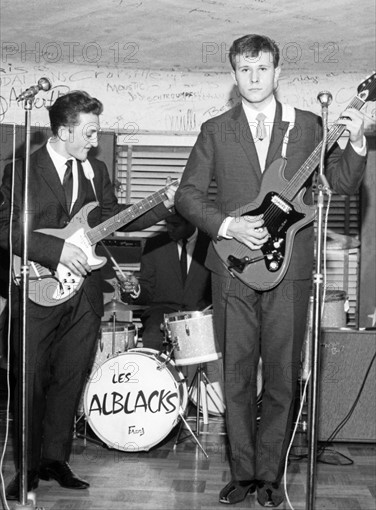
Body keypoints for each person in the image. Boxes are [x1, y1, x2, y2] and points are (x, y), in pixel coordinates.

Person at [175, 34, 367, 507]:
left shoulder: (308, 127)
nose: (254, 78)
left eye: (262, 69)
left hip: (293, 272)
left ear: (278, 73)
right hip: (234, 268)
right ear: (234, 74)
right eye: (244, 69)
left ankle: (271, 477)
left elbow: (340, 181)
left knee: (282, 376)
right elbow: (187, 196)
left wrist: (358, 140)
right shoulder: (215, 129)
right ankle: (242, 474)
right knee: (237, 375)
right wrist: (229, 225)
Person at [0, 90, 177, 500]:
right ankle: (25, 468)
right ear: (64, 131)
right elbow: (4, 228)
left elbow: (113, 220)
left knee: (70, 377)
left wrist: (162, 205)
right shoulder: (21, 171)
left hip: (85, 293)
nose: (95, 141)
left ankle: (54, 459)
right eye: (89, 132)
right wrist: (56, 249)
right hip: (36, 287)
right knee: (29, 381)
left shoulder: (95, 170)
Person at [119, 211, 211, 352]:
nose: (169, 228)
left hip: (200, 314)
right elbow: (147, 290)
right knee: (152, 335)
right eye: (167, 223)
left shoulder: (212, 245)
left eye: (175, 224)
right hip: (162, 313)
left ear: (192, 222)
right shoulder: (154, 245)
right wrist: (135, 288)